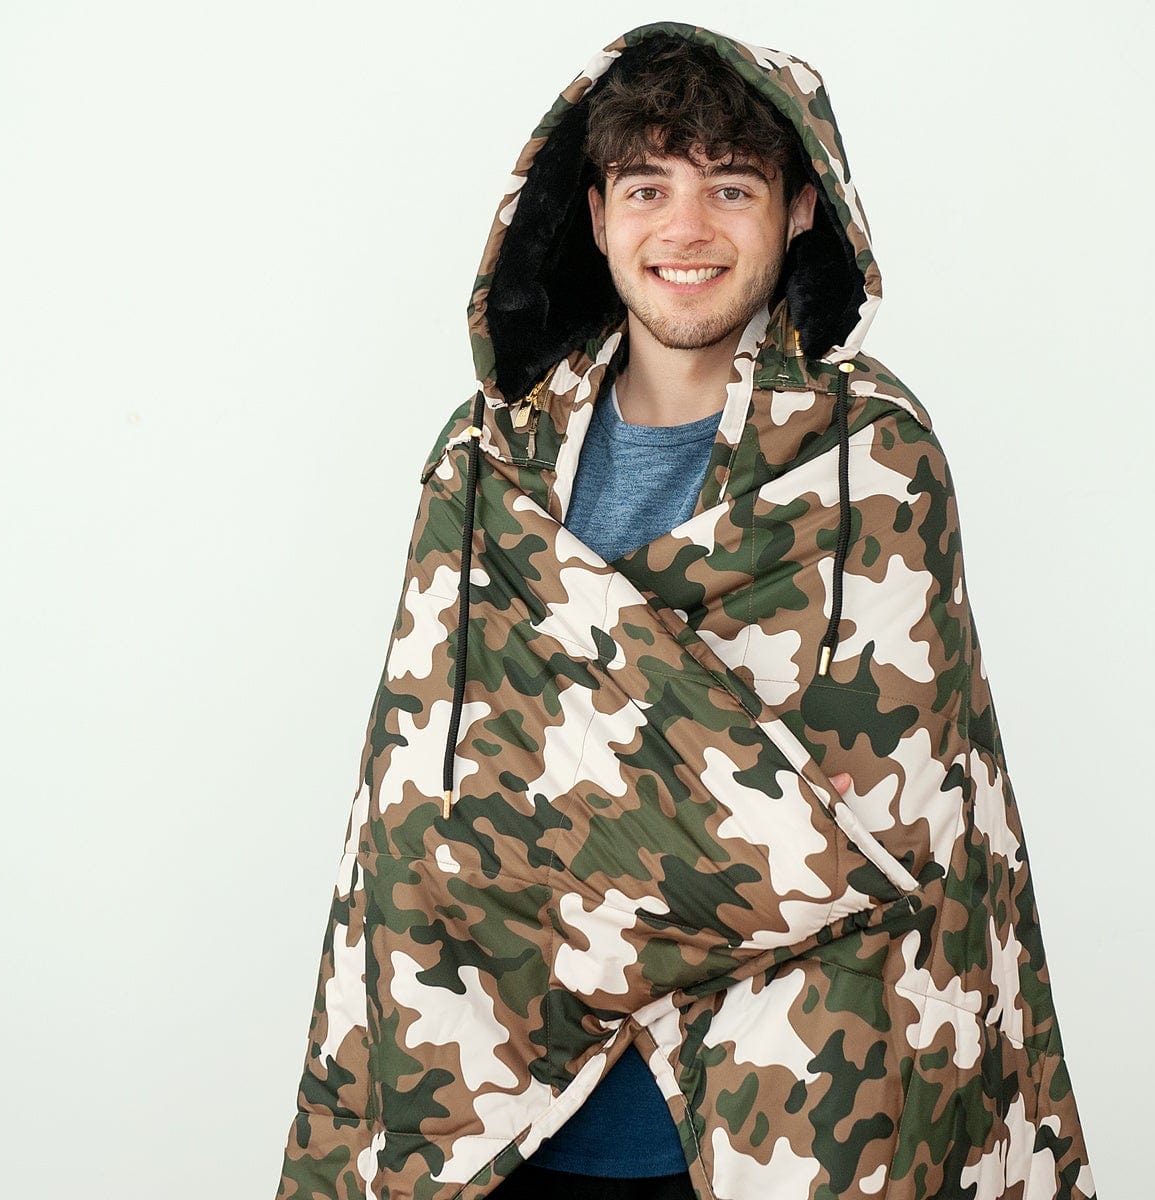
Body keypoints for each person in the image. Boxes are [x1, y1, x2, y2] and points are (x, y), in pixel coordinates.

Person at [276, 22, 1097, 1200]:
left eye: (731, 187)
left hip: (777, 1120)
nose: (686, 229)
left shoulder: (870, 463)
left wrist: (561, 819)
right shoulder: (488, 465)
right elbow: (410, 821)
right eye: (648, 187)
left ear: (802, 209)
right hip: (493, 1123)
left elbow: (901, 834)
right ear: (595, 213)